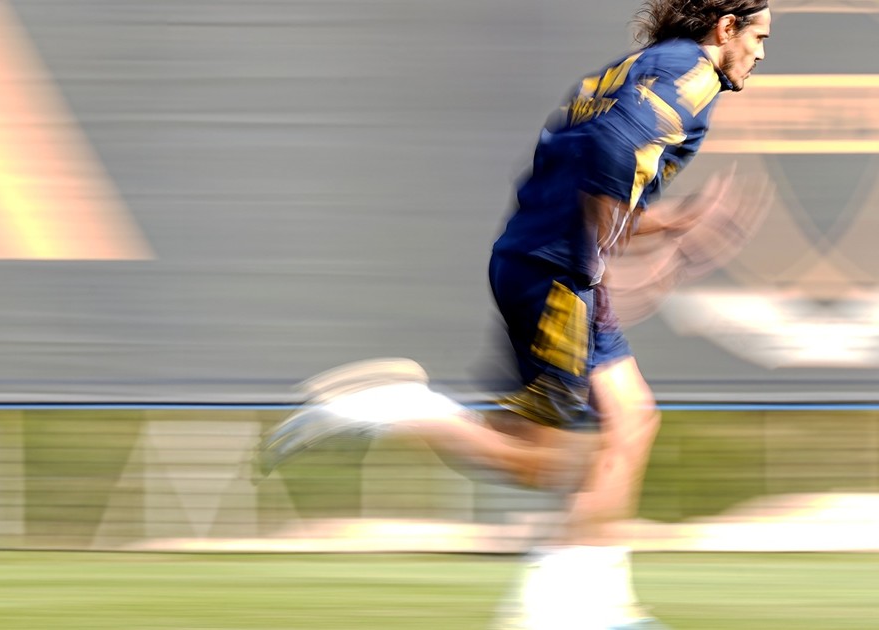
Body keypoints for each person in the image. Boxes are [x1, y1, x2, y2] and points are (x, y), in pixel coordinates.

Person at [257, 2, 771, 628]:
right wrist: (615, 255)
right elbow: (609, 149)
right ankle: (396, 410)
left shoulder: (646, 65)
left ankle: (585, 604)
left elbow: (586, 165)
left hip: (546, 260)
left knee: (630, 422)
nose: (761, 53)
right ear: (725, 27)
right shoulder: (691, 75)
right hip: (558, 274)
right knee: (544, 462)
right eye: (759, 36)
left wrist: (670, 229)